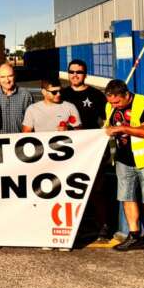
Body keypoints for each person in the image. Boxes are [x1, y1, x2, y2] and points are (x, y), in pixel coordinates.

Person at [104, 79, 144, 258]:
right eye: (110, 102)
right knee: (126, 197)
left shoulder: (143, 103)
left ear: (126, 95)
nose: (113, 105)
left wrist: (123, 128)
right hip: (123, 159)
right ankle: (134, 235)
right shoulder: (110, 106)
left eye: (116, 102)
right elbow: (109, 127)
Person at [60, 59, 111, 240]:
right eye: (72, 71)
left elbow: (108, 119)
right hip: (68, 148)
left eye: (79, 72)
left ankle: (103, 224)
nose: (75, 75)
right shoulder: (62, 94)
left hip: (91, 148)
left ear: (85, 74)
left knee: (97, 188)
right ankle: (74, 225)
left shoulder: (96, 95)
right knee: (71, 188)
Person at [0, 63, 33, 134]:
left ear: (15, 75)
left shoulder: (25, 95)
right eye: (3, 77)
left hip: (18, 141)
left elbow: (31, 121)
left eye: (10, 76)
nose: (7, 80)